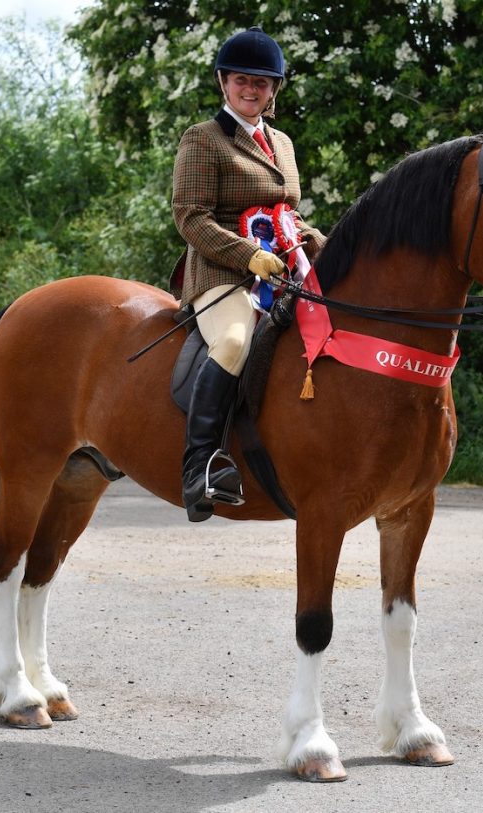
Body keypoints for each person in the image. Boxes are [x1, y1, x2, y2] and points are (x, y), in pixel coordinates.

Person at [171, 26, 326, 522]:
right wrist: (246, 256)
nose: (251, 89)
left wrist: (319, 242)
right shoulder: (203, 139)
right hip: (222, 276)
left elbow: (286, 215)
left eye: (262, 82)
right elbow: (191, 217)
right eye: (242, 80)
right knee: (235, 341)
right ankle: (200, 466)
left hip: (283, 274)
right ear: (224, 82)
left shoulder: (282, 143)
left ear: (273, 89)